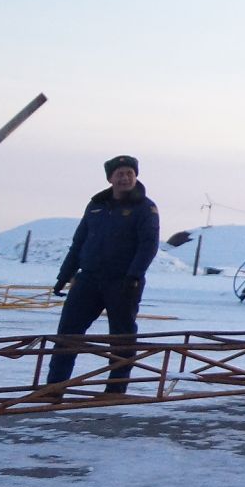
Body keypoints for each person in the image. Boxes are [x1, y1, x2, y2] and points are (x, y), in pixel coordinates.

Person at [46, 154, 159, 397]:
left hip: (122, 282)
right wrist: (64, 275)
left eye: (130, 173)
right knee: (67, 335)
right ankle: (53, 388)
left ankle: (115, 390)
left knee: (122, 339)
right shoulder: (96, 205)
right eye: (120, 174)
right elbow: (79, 243)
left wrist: (134, 276)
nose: (125, 178)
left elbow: (148, 245)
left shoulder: (145, 207)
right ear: (110, 178)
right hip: (88, 279)